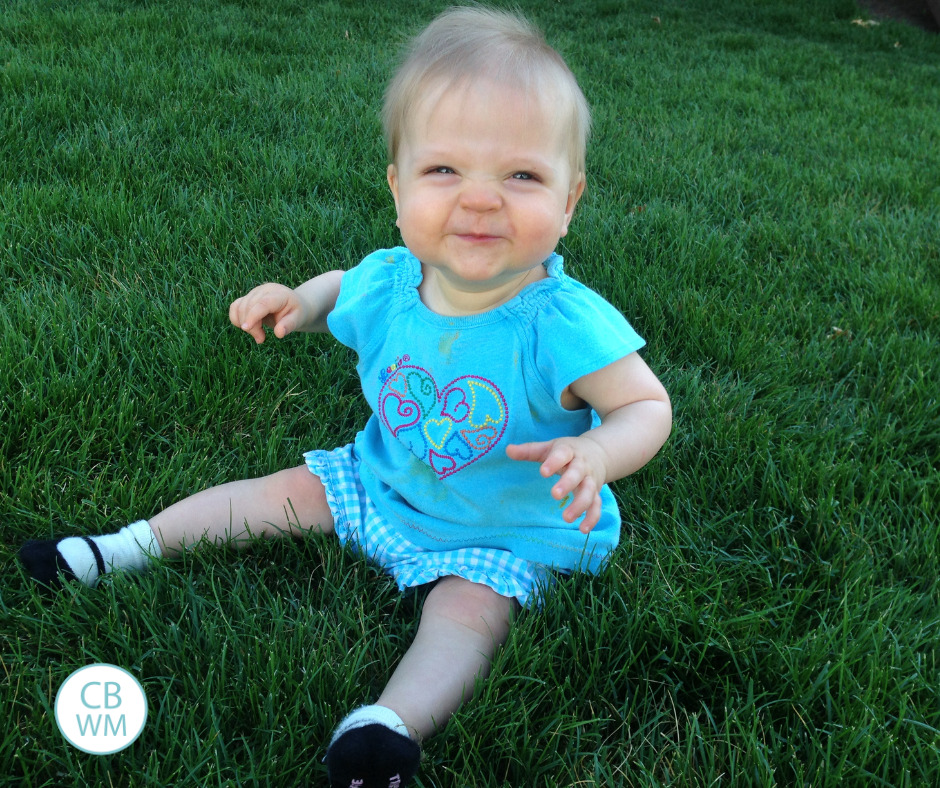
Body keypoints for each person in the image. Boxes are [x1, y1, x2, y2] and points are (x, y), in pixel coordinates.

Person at [18, 6, 672, 787]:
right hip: (383, 478)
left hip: (503, 528)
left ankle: (387, 726)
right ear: (397, 186)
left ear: (570, 201)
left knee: (468, 614)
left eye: (523, 175)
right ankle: (123, 548)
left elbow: (646, 406)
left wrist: (597, 448)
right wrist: (302, 299)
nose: (481, 199)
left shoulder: (562, 324)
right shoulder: (392, 279)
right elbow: (342, 288)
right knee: (279, 493)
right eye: (444, 170)